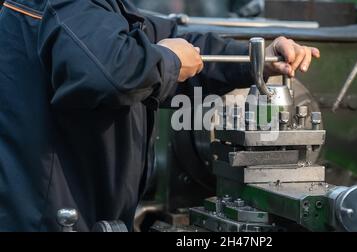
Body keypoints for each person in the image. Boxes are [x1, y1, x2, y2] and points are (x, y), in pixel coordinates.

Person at [0, 0, 320, 232]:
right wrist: (168, 60)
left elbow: (176, 43)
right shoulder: (72, 4)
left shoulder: (100, 9)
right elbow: (108, 74)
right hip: (50, 217)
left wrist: (257, 60)